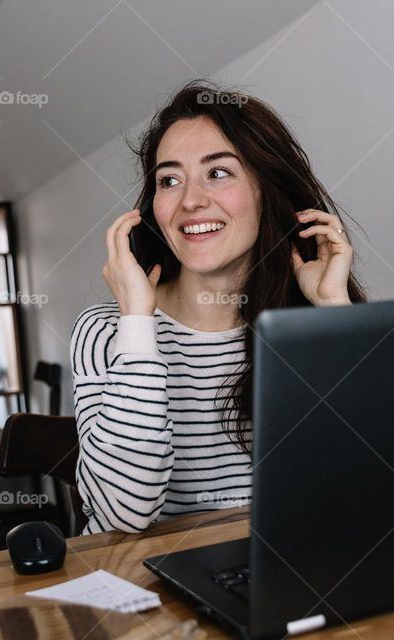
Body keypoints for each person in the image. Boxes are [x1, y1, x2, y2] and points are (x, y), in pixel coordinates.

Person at [70, 80, 367, 534]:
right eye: (169, 180)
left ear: (267, 189)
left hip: (275, 581)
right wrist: (136, 325)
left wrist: (334, 314)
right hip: (147, 590)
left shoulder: (314, 324)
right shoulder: (107, 332)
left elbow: (374, 484)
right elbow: (121, 515)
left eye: (219, 172)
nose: (190, 200)